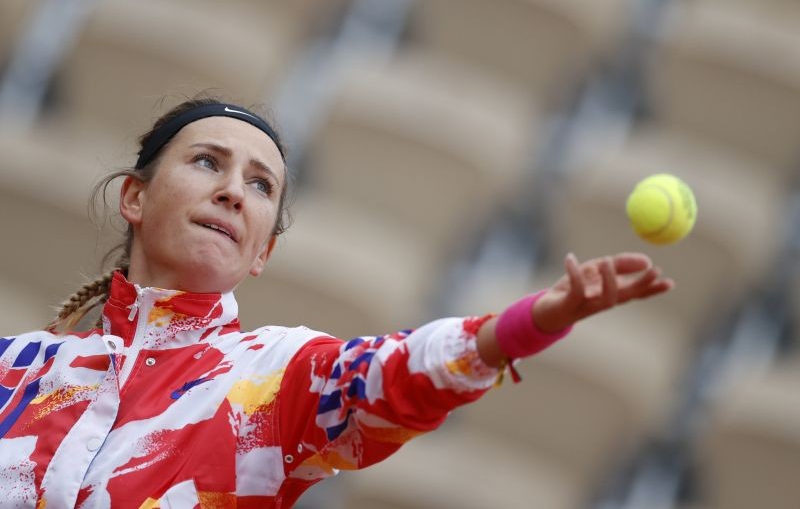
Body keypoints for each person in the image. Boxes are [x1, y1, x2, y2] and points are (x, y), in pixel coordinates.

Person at [0, 96, 674, 508]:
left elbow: (398, 374)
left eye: (261, 186)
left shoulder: (271, 379)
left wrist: (530, 324)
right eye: (208, 162)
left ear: (260, 253)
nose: (235, 190)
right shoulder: (17, 370)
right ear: (135, 197)